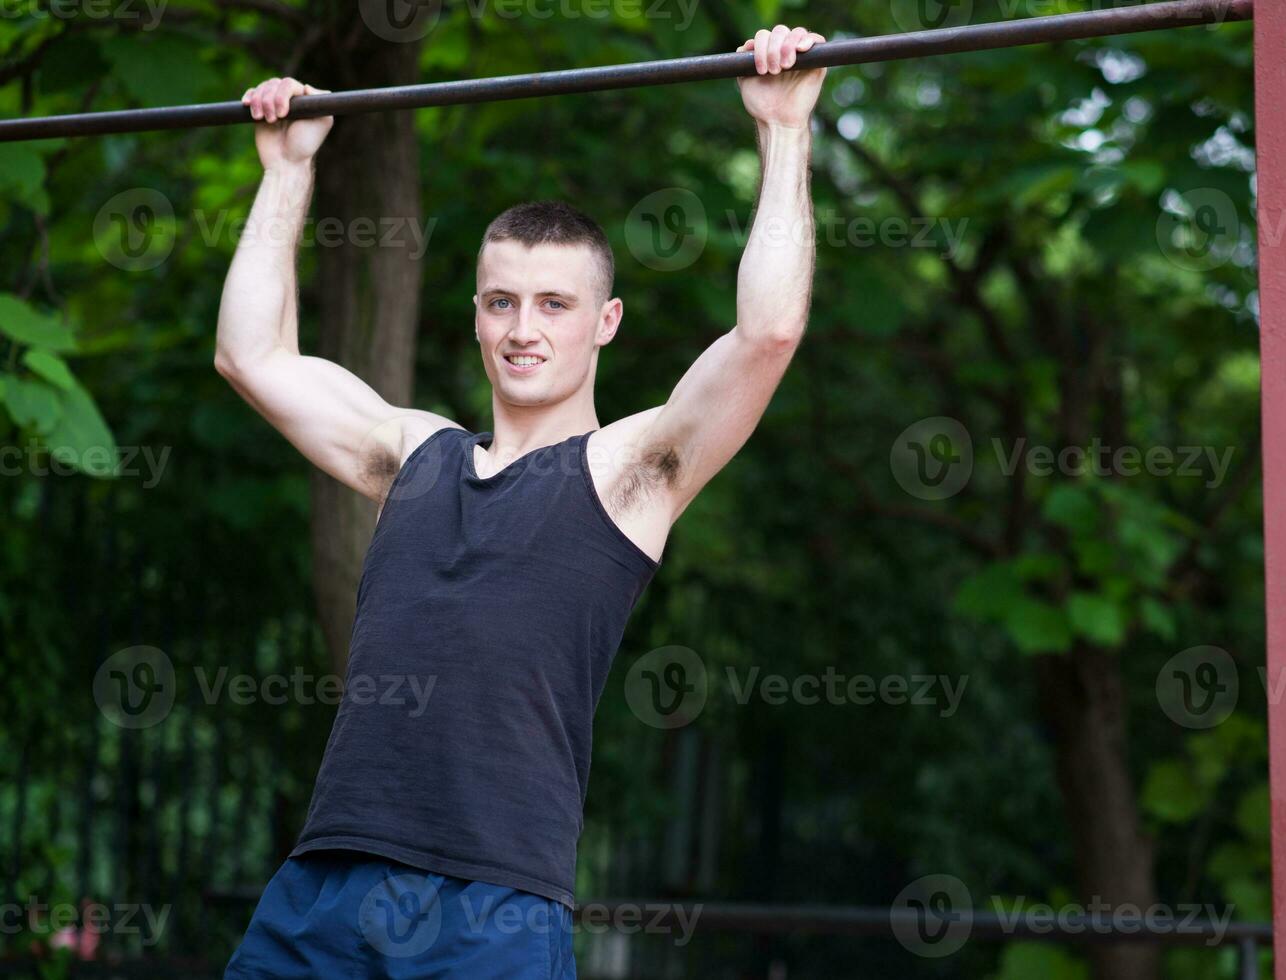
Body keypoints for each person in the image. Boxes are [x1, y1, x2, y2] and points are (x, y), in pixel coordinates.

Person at [216, 23, 828, 978]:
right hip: (325, 886)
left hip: (491, 906)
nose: (522, 328)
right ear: (474, 314)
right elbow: (252, 357)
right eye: (502, 301)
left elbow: (767, 333)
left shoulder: (630, 472)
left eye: (554, 304)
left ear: (606, 323)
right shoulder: (414, 453)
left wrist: (783, 130)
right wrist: (288, 170)